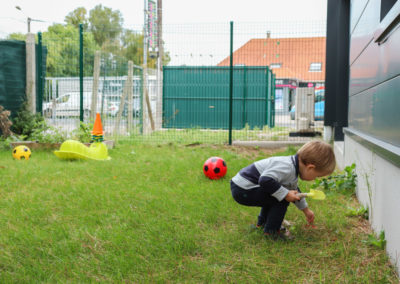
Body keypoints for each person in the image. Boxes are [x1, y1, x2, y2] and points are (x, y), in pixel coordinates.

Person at [230, 140, 336, 240]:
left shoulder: (293, 169)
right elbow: (265, 180)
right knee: (282, 198)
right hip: (243, 189)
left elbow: (295, 192)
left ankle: (262, 224)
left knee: (277, 194)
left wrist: (306, 210)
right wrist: (285, 194)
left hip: (243, 186)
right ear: (310, 168)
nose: (314, 179)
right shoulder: (287, 167)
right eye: (316, 176)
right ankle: (272, 231)